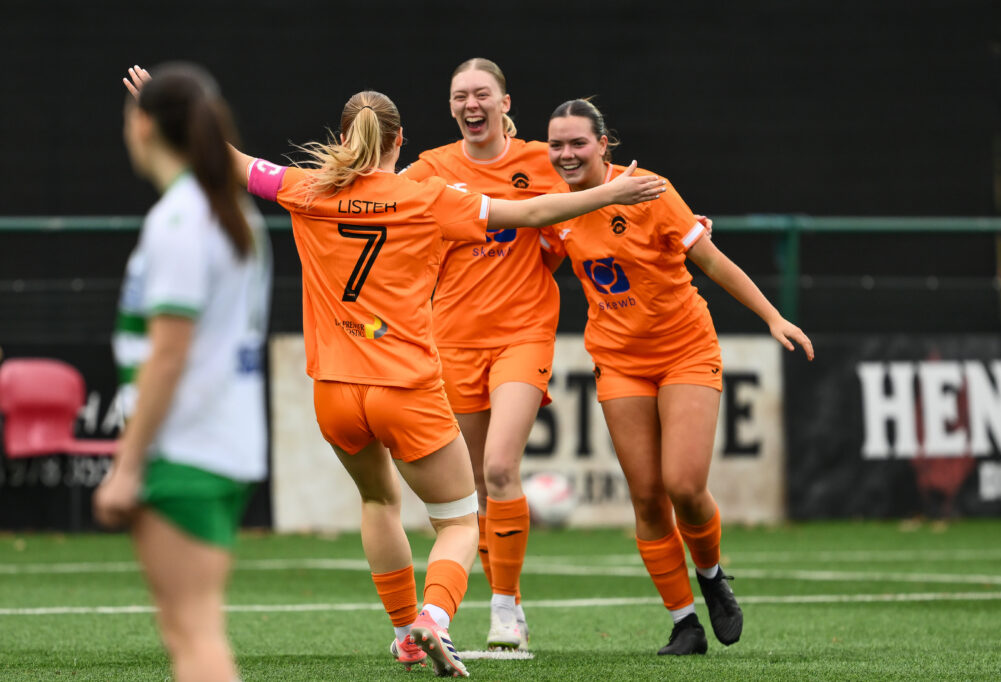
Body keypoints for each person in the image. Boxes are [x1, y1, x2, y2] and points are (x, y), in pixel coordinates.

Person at [123, 66, 665, 677]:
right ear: (400, 139)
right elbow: (536, 212)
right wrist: (610, 192)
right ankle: (434, 618)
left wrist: (169, 111)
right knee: (459, 521)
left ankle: (405, 631)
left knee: (378, 500)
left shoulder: (306, 189)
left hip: (334, 390)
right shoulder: (427, 196)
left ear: (343, 136)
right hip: (405, 388)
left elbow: (232, 162)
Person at [543, 99, 815, 656]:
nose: (567, 154)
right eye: (556, 144)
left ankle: (712, 577)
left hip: (684, 350)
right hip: (619, 360)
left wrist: (773, 316)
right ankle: (683, 623)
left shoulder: (650, 190)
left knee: (684, 486)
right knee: (647, 498)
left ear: (603, 144)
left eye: (578, 143)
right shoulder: (553, 207)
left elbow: (711, 261)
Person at [94, 63, 272, 682]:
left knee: (193, 634)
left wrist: (128, 465)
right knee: (189, 630)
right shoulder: (225, 212)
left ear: (143, 125)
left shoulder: (180, 219)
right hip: (219, 443)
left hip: (185, 450)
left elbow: (168, 355)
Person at [399, 57, 564, 650]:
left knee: (499, 467)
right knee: (471, 482)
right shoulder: (430, 168)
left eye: (482, 94)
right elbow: (374, 192)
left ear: (505, 103)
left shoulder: (543, 160)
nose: (471, 104)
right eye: (460, 96)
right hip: (453, 337)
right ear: (451, 107)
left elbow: (604, 185)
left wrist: (683, 224)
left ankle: (503, 608)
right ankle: (507, 601)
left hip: (524, 332)